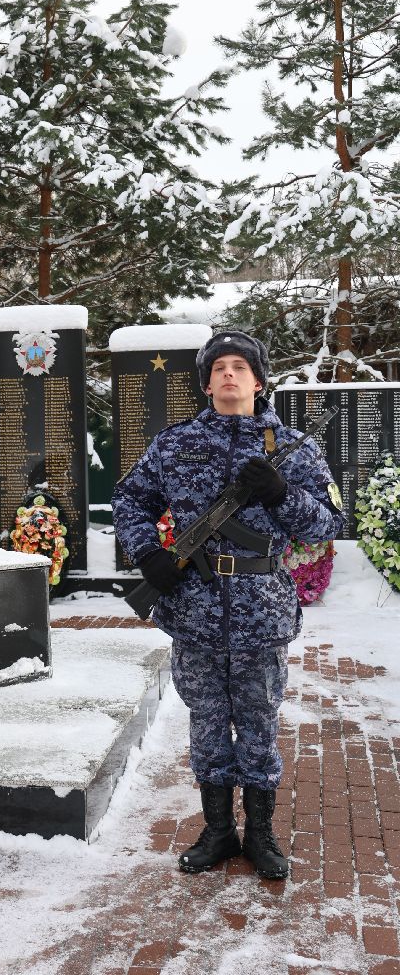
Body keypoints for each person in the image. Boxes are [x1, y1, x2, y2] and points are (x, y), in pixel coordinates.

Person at [112, 330, 344, 878]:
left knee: (259, 722)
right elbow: (130, 499)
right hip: (194, 607)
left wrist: (282, 494)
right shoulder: (175, 443)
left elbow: (331, 522)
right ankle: (218, 831)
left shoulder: (295, 448)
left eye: (240, 366)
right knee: (208, 722)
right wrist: (149, 554)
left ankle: (261, 835)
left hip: (261, 609)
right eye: (219, 368)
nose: (229, 374)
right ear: (206, 382)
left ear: (259, 381)